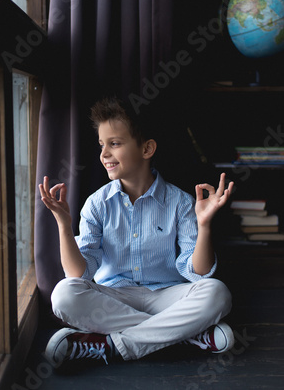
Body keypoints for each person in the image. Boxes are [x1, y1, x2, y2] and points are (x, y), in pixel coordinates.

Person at [39, 97, 234, 368]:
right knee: (63, 294)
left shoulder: (180, 202)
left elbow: (197, 273)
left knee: (217, 292)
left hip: (167, 295)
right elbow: (79, 275)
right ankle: (186, 335)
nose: (104, 154)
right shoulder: (96, 204)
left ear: (147, 149)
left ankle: (110, 345)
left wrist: (204, 225)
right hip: (113, 297)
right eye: (101, 145)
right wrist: (62, 223)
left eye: (114, 143)